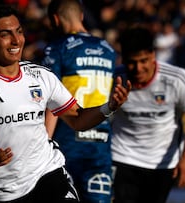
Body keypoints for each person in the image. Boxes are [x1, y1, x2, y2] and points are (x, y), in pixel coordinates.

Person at [0, 3, 131, 203]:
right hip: (3, 191)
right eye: (5, 34)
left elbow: (78, 120)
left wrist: (109, 106)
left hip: (47, 174)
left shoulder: (41, 76)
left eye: (19, 31)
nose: (16, 40)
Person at [111, 26, 185, 203]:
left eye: (144, 60)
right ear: (123, 59)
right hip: (122, 157)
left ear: (153, 55)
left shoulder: (176, 79)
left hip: (162, 164)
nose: (138, 68)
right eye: (132, 62)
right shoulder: (113, 79)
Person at [41, 0, 116, 202]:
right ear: (81, 16)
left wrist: (45, 143)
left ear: (55, 19)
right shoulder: (108, 50)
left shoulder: (57, 49)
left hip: (67, 146)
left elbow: (51, 100)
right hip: (100, 147)